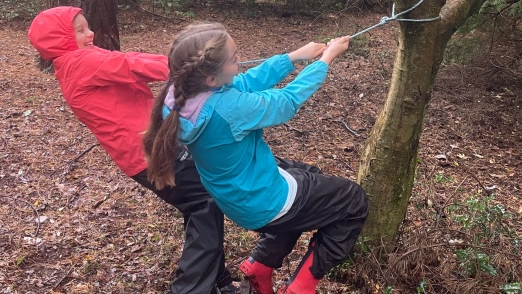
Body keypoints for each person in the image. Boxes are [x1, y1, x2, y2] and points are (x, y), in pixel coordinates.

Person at [144, 23, 369, 294]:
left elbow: (245, 82)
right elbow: (286, 101)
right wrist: (325, 60)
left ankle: (259, 266)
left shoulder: (179, 98)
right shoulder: (229, 108)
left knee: (309, 174)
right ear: (211, 79)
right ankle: (302, 286)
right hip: (265, 201)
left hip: (239, 197)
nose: (239, 58)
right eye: (234, 57)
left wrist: (293, 57)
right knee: (354, 200)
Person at [27, 7, 240, 294]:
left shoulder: (71, 66)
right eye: (79, 30)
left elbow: (120, 65)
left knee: (199, 204)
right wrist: (191, 67)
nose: (90, 34)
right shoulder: (80, 60)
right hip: (152, 153)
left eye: (87, 27)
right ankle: (191, 288)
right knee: (205, 202)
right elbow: (130, 64)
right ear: (59, 38)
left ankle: (219, 282)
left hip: (144, 154)